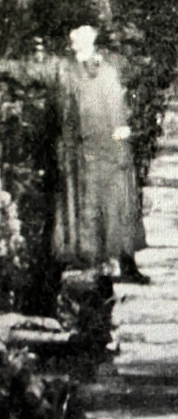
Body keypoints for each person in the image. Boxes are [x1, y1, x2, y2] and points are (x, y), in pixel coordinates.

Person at [2, 27, 149, 284]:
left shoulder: (108, 65)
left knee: (116, 206)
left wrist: (123, 131)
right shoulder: (62, 69)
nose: (75, 41)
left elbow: (127, 85)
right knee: (76, 205)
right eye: (73, 38)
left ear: (91, 39)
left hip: (110, 150)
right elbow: (28, 72)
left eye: (81, 36)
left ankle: (127, 264)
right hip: (78, 152)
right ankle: (64, 269)